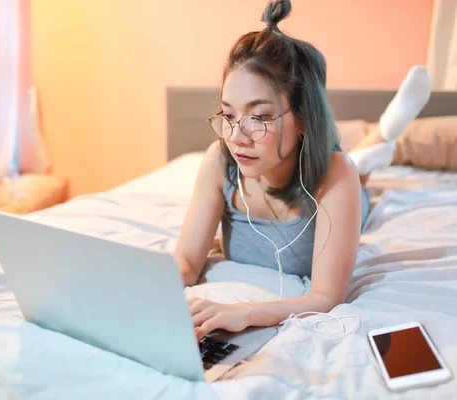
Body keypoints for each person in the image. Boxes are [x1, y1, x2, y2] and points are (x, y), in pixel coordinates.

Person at [174, 0, 431, 340]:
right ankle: (374, 148)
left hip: (338, 182)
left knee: (354, 168)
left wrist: (244, 313)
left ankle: (385, 132)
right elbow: (188, 264)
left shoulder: (336, 174)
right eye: (229, 115)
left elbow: (326, 297)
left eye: (260, 117)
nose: (237, 137)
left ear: (303, 118)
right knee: (356, 163)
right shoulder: (219, 162)